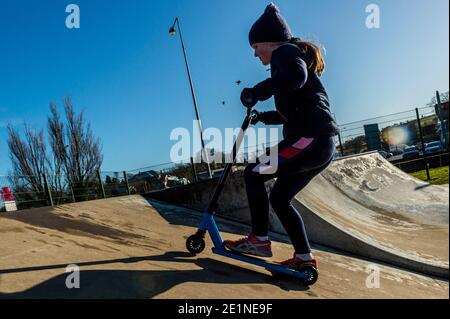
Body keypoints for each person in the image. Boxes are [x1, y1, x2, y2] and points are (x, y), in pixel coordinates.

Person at [223, 3, 338, 272]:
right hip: (318, 142)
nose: (254, 54)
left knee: (254, 172)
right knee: (279, 199)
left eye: (255, 47)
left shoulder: (284, 53)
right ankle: (304, 258)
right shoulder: (286, 59)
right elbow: (290, 110)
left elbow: (297, 76)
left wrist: (257, 91)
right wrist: (262, 116)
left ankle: (259, 241)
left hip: (311, 138)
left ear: (267, 42)